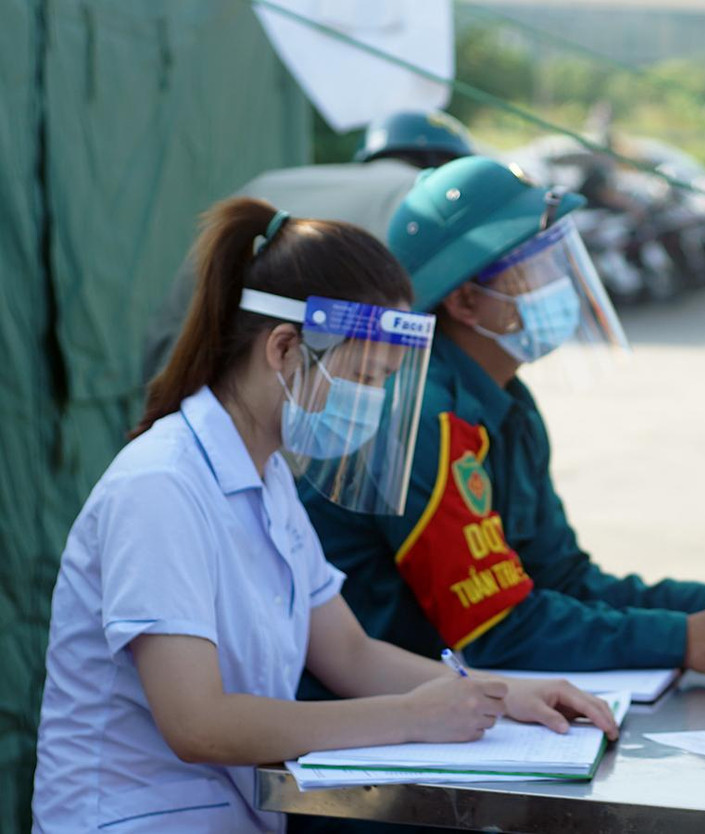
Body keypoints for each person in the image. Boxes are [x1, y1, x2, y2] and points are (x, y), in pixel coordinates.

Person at [31, 198, 615, 834]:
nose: (370, 402)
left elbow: (348, 651)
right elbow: (197, 724)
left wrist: (504, 695)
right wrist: (410, 717)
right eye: (363, 375)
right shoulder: (161, 486)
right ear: (284, 348)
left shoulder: (268, 475)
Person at [300, 157, 705, 687]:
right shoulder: (422, 420)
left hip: (446, 701)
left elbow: (557, 577)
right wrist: (680, 637)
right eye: (535, 265)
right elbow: (496, 631)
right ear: (467, 301)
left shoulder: (508, 404)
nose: (558, 279)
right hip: (365, 718)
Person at [141, 109, 476, 383]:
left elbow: (170, 323)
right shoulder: (425, 207)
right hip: (292, 413)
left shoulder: (270, 185)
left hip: (191, 382)